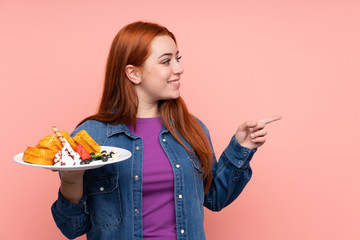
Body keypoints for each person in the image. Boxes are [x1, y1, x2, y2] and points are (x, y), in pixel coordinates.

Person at [51, 21, 281, 240]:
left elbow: (215, 198)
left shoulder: (192, 129)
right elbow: (72, 227)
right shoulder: (91, 136)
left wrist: (242, 148)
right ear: (134, 73)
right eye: (166, 61)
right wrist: (71, 180)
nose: (179, 68)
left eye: (178, 59)